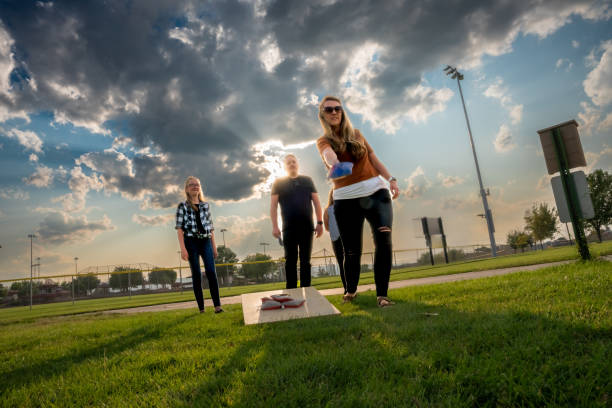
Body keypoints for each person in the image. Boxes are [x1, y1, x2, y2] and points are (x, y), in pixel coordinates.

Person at [316, 96, 400, 307]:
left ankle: (382, 295)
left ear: (342, 112)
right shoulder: (323, 141)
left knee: (383, 239)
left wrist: (391, 179)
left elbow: (372, 157)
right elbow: (328, 155)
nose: (334, 112)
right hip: (345, 198)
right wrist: (335, 164)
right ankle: (351, 290)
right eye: (329, 110)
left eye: (337, 108)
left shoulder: (356, 134)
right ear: (323, 115)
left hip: (376, 192)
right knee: (352, 251)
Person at [270, 154, 324, 289]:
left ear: (298, 164)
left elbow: (317, 203)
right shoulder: (278, 183)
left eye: (294, 161)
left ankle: (307, 290)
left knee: (305, 261)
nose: (291, 164)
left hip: (307, 227)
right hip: (289, 228)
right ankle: (292, 292)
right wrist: (275, 226)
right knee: (290, 261)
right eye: (288, 163)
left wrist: (320, 223)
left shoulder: (307, 180)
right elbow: (273, 206)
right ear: (285, 166)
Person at [175, 176, 223, 313]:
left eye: (197, 184)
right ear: (187, 189)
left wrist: (214, 247)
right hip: (191, 242)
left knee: (211, 272)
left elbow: (211, 228)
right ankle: (201, 309)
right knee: (196, 274)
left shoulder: (205, 205)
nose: (195, 186)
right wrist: (183, 249)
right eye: (191, 185)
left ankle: (217, 306)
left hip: (206, 241)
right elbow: (179, 229)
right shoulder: (182, 206)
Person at [324, 189, 346, 294]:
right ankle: (346, 289)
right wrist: (335, 231)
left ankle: (352, 288)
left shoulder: (345, 207)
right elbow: (326, 226)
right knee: (341, 264)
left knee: (348, 263)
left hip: (345, 238)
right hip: (335, 239)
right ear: (331, 196)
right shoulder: (328, 210)